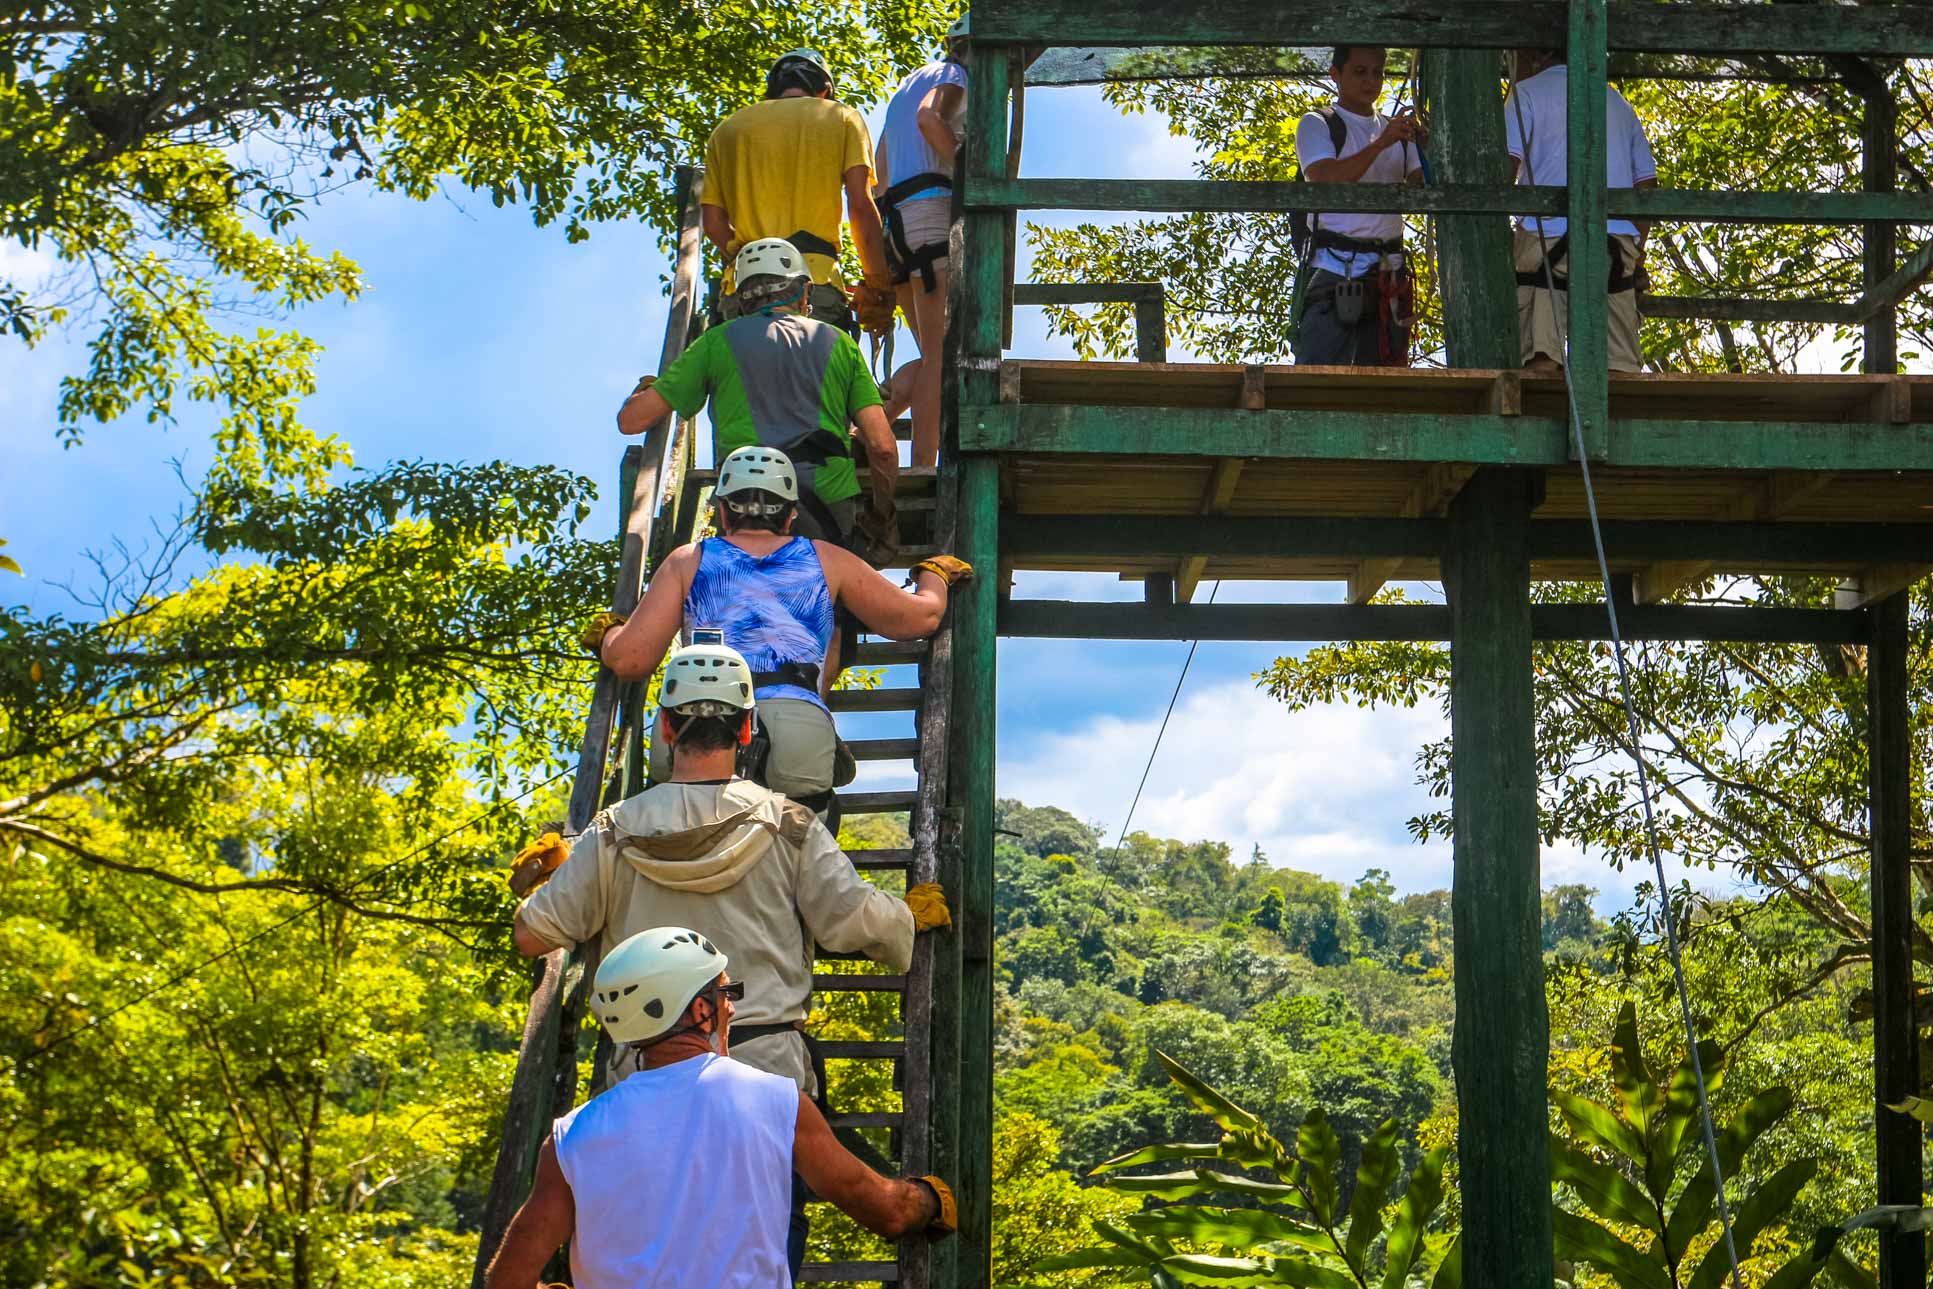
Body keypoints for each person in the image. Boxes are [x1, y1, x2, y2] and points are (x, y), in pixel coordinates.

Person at [511, 645, 955, 1280]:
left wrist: (563, 873)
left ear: (666, 729)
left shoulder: (612, 833)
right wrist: (905, 916)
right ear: (748, 730)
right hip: (765, 1082)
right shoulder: (788, 825)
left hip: (643, 1084)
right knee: (760, 1245)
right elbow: (856, 919)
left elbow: (533, 935)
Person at [485, 928, 956, 1289]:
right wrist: (932, 1199)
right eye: (726, 994)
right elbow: (887, 1212)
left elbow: (507, 1280)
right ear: (700, 1011)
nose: (731, 1008)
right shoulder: (777, 1102)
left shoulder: (573, 1136)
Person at [584, 446, 973, 813]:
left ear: (724, 511)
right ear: (790, 515)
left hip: (695, 724)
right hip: (795, 728)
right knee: (800, 845)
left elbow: (630, 659)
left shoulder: (689, 561)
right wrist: (932, 575)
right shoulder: (826, 558)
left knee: (684, 837)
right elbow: (918, 619)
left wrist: (610, 634)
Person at [618, 238, 900, 559]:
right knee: (827, 588)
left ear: (742, 298)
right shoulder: (839, 343)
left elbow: (632, 421)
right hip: (825, 505)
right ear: (804, 292)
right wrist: (882, 518)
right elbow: (883, 447)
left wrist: (645, 389)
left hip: (744, 500)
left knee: (745, 588)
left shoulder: (715, 342)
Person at [701, 48, 896, 337]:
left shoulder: (727, 131)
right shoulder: (842, 117)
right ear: (825, 90)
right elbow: (860, 206)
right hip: (813, 281)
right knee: (815, 367)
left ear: (773, 89)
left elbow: (713, 224)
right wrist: (878, 284)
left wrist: (752, 258)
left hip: (744, 287)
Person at [1504, 47, 1658, 375]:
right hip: (1613, 246)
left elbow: (1506, 169)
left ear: (1531, 56)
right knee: (1618, 370)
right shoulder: (1616, 102)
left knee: (1541, 361)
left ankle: (1544, 382)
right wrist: (1637, 254)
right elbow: (1647, 187)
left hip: (1545, 240)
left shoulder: (1526, 94)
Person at [873, 14, 970, 467]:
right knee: (940, 359)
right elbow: (930, 118)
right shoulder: (955, 76)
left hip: (897, 225)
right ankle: (925, 467)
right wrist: (968, 172)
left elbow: (880, 165)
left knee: (933, 354)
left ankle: (865, 429)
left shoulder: (910, 82)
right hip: (929, 215)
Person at [1291, 46, 1427, 368]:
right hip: (1333, 269)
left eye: (1377, 72)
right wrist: (1381, 144)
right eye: (1360, 72)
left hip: (1388, 275)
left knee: (1386, 386)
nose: (1371, 81)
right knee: (1315, 380)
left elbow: (1422, 187)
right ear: (1335, 75)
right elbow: (1322, 178)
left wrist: (1429, 147)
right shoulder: (1317, 123)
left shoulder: (1398, 133)